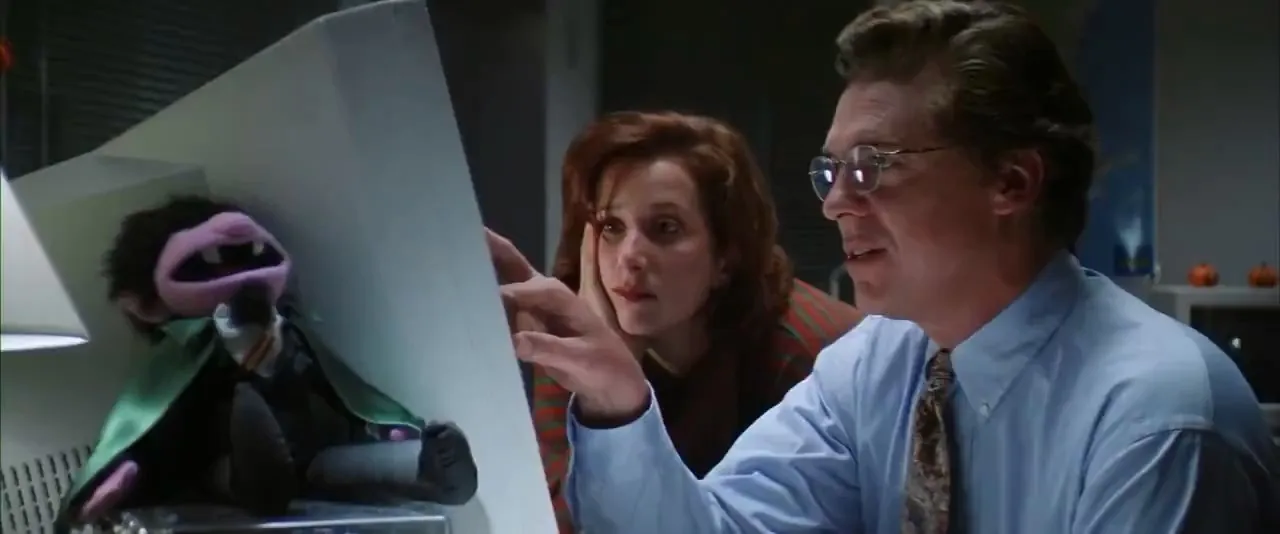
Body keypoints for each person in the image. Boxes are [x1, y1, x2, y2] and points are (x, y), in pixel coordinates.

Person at [491, 1, 1280, 533]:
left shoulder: (1158, 419)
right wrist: (617, 402)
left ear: (1011, 183)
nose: (836, 204)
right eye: (829, 172)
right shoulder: (881, 363)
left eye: (872, 166)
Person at [498, 111, 862, 532]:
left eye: (665, 228)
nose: (630, 256)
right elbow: (556, 521)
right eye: (611, 226)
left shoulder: (813, 356)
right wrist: (605, 379)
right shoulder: (571, 333)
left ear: (725, 256)